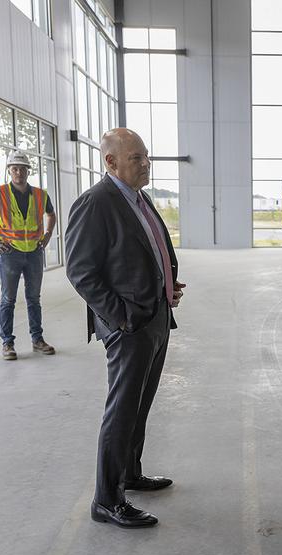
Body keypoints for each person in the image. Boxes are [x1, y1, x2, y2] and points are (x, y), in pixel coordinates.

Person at [64, 128, 185, 529]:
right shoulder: (95, 203)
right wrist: (121, 317)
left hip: (155, 317)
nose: (145, 164)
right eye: (136, 158)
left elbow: (146, 251)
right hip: (130, 326)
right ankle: (107, 499)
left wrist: (166, 285)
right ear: (110, 161)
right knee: (121, 412)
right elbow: (81, 271)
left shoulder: (138, 198)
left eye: (146, 156)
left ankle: (130, 474)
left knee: (139, 406)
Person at [0, 149, 57, 360]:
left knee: (34, 299)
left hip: (34, 252)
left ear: (28, 171)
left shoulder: (40, 194)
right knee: (8, 300)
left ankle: (37, 340)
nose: (19, 172)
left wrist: (48, 234)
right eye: (15, 168)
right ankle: (7, 344)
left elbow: (50, 214)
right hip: (9, 253)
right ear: (9, 171)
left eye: (23, 169)